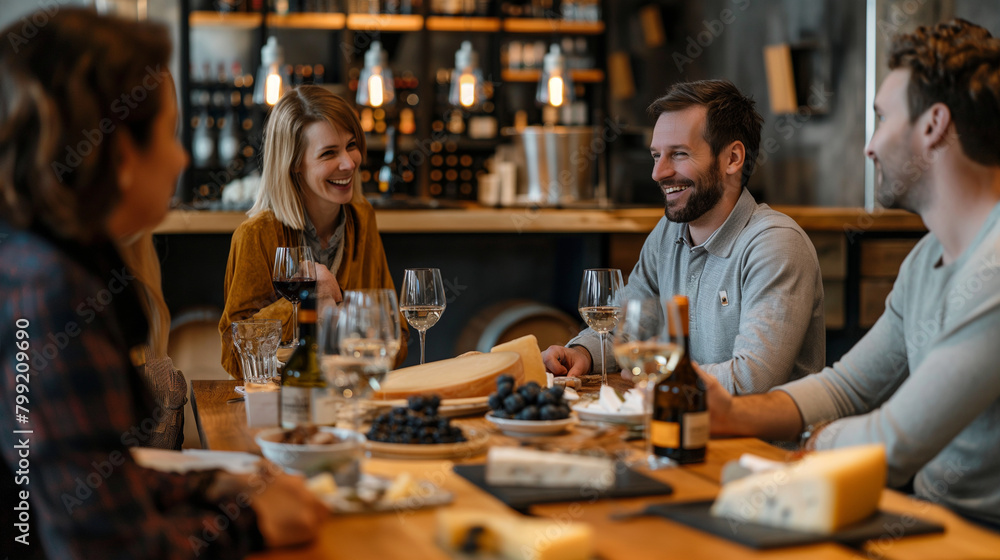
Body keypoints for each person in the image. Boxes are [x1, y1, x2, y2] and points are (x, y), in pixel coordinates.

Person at [0, 9, 326, 558]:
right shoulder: (51, 293)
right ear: (123, 156)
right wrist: (254, 527)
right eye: (170, 134)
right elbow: (106, 546)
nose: (180, 159)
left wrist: (213, 485)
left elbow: (93, 485)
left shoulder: (41, 260)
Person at [702, 19, 1000, 529]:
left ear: (933, 124)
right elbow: (847, 389)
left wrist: (818, 441)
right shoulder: (926, 259)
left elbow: (894, 444)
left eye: (882, 118)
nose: (869, 145)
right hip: (932, 522)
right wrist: (730, 414)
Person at [542, 80, 825, 395]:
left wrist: (658, 377)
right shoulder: (668, 234)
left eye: (678, 154)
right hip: (683, 429)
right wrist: (582, 353)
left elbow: (752, 378)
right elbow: (626, 330)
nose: (658, 173)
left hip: (756, 442)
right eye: (656, 156)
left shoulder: (775, 245)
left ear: (732, 158)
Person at [220, 85, 407, 379]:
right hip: (283, 407)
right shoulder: (256, 235)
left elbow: (398, 336)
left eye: (352, 145)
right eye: (329, 153)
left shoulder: (363, 219)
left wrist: (342, 308)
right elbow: (234, 357)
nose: (348, 163)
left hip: (349, 396)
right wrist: (309, 302)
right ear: (293, 162)